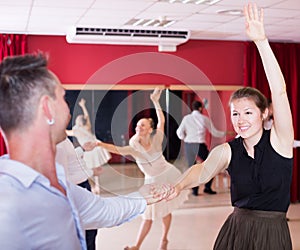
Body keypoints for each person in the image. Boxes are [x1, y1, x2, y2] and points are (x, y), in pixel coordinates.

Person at [0, 53, 171, 250]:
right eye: (63, 98)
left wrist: (146, 195)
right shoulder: (6, 205)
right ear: (47, 109)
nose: (68, 109)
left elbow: (104, 210)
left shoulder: (59, 185)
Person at [167, 3, 294, 249]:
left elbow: (279, 91)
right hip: (236, 231)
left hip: (273, 234)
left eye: (248, 112)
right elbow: (202, 171)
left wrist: (261, 42)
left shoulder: (281, 141)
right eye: (235, 113)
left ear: (264, 113)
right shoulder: (229, 151)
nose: (241, 119)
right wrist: (179, 184)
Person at [85, 88, 189, 250]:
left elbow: (161, 122)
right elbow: (118, 149)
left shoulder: (156, 140)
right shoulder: (134, 146)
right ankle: (137, 246)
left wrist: (155, 100)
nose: (138, 127)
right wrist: (99, 144)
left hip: (167, 174)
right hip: (152, 181)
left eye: (142, 125)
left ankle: (164, 240)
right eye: (138, 125)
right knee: (148, 215)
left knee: (165, 211)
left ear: (149, 129)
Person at [56, 137, 103, 250]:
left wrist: (82, 149)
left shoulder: (62, 139)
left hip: (83, 187)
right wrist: (91, 171)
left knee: (91, 229)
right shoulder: (58, 144)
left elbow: (70, 157)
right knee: (87, 233)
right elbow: (64, 178)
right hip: (78, 189)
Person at [176, 100, 227, 196]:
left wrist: (185, 138)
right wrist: (225, 133)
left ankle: (195, 191)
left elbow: (179, 132)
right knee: (211, 165)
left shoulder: (186, 118)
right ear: (200, 108)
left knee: (191, 168)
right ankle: (207, 188)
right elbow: (215, 132)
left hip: (188, 145)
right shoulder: (204, 118)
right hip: (199, 145)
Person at [67, 98, 111, 194]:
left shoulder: (77, 130)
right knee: (94, 170)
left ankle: (94, 187)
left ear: (78, 122)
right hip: (95, 148)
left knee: (88, 169)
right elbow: (87, 116)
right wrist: (83, 106)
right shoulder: (87, 128)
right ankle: (96, 186)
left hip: (88, 150)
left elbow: (65, 132)